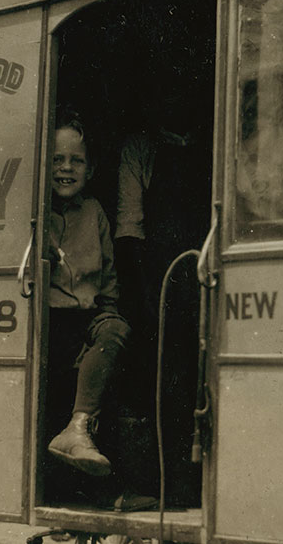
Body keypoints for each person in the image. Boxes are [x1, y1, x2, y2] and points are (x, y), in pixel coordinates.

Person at [113, 87, 213, 507]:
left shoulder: (211, 143)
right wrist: (148, 298)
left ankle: (201, 485)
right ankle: (168, 488)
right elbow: (129, 226)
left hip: (206, 272)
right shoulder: (140, 149)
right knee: (164, 377)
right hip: (158, 278)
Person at [45, 109, 131, 479]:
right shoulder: (35, 212)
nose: (66, 168)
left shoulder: (94, 212)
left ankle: (77, 430)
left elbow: (109, 276)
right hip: (51, 320)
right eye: (57, 159)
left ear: (91, 169)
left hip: (87, 318)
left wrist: (108, 314)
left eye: (76, 160)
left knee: (115, 331)